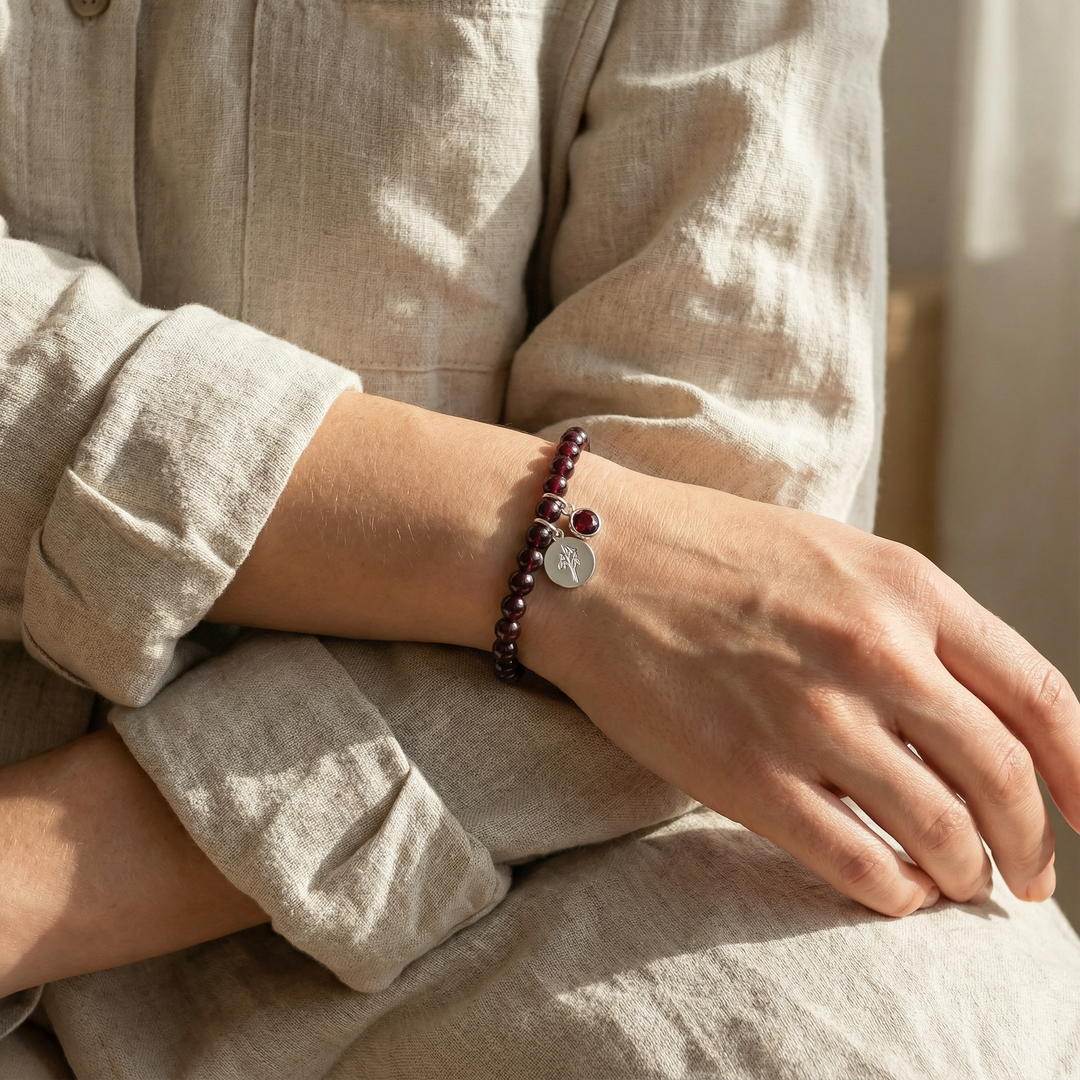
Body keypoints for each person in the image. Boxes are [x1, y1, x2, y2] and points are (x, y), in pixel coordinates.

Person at [2, 0, 1080, 1075]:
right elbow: (677, 562)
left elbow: (723, 524)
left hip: (511, 806)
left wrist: (35, 871)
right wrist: (553, 554)